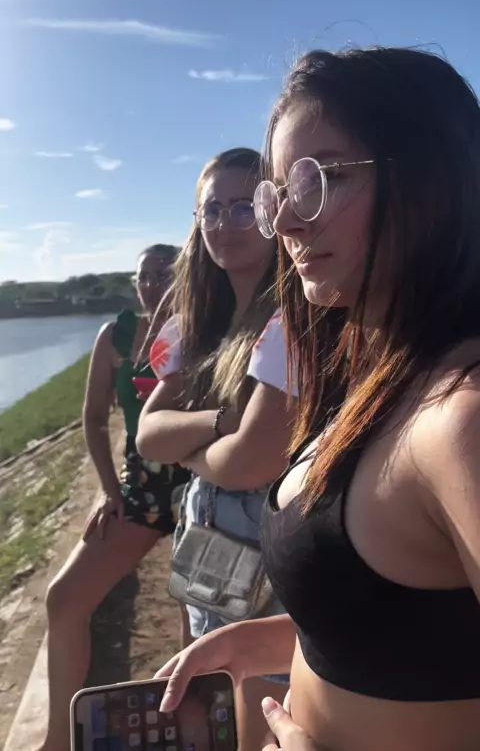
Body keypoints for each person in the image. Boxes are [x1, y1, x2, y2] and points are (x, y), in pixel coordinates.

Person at [154, 47, 480, 751]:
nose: (286, 224)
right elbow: (404, 635)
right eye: (280, 194)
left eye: (323, 178)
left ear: (434, 177)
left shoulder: (461, 418)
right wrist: (260, 642)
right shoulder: (373, 374)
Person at [136, 147, 297, 750]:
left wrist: (190, 447)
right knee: (212, 710)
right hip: (207, 545)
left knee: (256, 717)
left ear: (272, 211)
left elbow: (251, 461)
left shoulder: (292, 318)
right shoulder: (195, 324)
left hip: (267, 556)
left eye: (242, 207)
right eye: (212, 210)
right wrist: (221, 422)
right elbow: (148, 434)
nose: (225, 223)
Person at [40, 244, 189, 751]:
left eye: (164, 273)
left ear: (186, 275)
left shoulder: (206, 327)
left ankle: (194, 728)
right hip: (141, 489)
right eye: (143, 275)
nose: (151, 283)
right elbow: (94, 418)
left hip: (200, 487)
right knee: (64, 599)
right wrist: (108, 489)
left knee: (197, 616)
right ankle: (59, 740)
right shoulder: (116, 336)